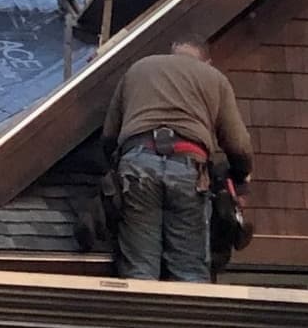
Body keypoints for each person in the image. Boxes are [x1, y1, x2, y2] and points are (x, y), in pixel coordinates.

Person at [101, 40, 253, 282]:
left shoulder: (139, 69)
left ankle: (142, 316)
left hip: (137, 164)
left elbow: (109, 135)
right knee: (189, 270)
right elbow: (238, 144)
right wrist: (241, 179)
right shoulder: (214, 78)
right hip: (188, 168)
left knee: (140, 267)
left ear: (172, 52)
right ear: (207, 61)